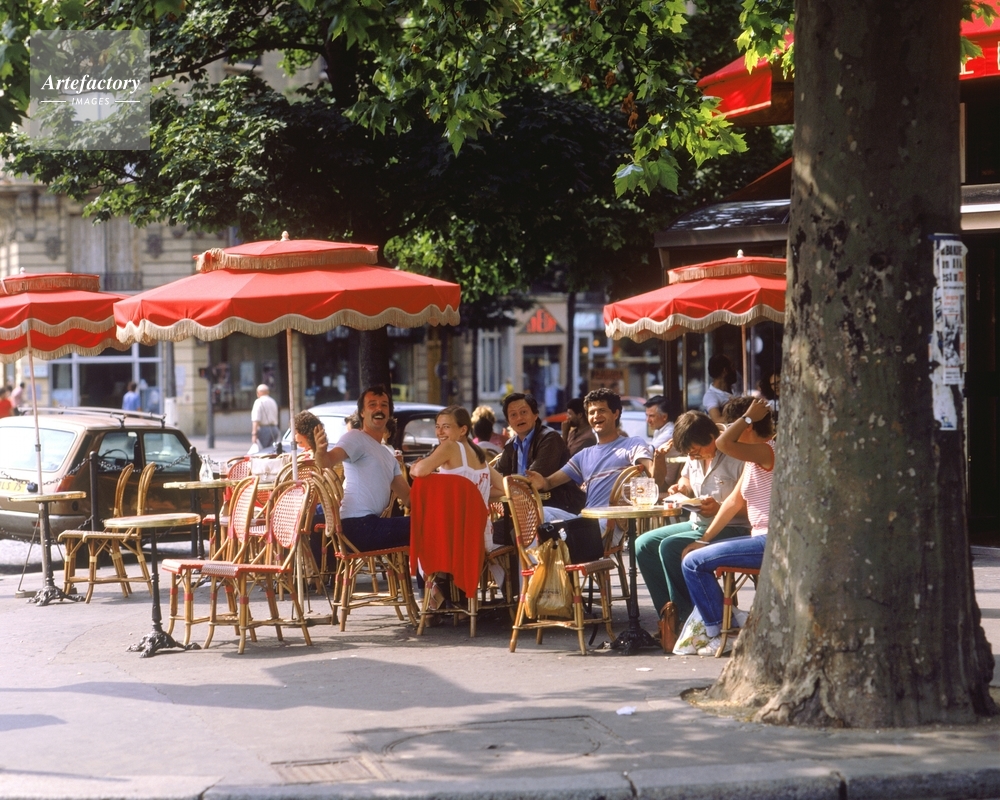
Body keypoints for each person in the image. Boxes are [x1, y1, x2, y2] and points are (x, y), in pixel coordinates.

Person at [635, 409, 751, 628]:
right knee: (644, 544)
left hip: (734, 527)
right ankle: (668, 616)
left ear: (711, 438)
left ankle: (690, 621)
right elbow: (686, 478)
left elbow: (752, 504)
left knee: (671, 547)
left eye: (696, 452)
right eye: (689, 454)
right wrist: (681, 488)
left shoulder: (737, 454)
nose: (692, 457)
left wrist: (718, 508)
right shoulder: (694, 452)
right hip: (698, 522)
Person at [680, 395, 775, 656]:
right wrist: (703, 540)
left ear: (748, 426)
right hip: (760, 538)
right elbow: (732, 502)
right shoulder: (753, 459)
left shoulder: (767, 450)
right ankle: (727, 624)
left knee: (693, 563)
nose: (728, 430)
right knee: (693, 558)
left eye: (734, 425)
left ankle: (720, 632)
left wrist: (748, 417)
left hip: (771, 541)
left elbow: (722, 442)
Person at [526, 388, 655, 538]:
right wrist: (540, 481)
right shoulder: (584, 455)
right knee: (538, 512)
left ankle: (560, 546)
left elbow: (651, 475)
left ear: (615, 413)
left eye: (602, 410)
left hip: (609, 525)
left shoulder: (632, 444)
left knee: (561, 536)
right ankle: (556, 548)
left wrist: (658, 461)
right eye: (591, 412)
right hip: (585, 521)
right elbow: (549, 483)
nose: (596, 416)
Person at [410, 406, 507, 598]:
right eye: (437, 426)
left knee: (420, 530)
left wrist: (414, 467)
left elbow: (420, 471)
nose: (440, 432)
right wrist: (476, 496)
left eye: (446, 426)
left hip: (455, 535)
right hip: (481, 535)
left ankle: (433, 593)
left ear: (463, 429)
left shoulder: (450, 447)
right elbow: (504, 488)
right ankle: (448, 593)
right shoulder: (478, 453)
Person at [315, 385, 411, 551]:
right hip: (356, 526)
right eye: (372, 405)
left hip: (370, 524)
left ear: (389, 413)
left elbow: (409, 498)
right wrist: (320, 452)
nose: (379, 409)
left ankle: (431, 568)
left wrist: (435, 495)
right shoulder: (355, 437)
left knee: (430, 523)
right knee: (426, 525)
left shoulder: (388, 456)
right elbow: (326, 462)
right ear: (362, 413)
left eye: (384, 405)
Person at [496, 392, 585, 515]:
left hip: (559, 509)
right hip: (524, 511)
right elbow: (496, 475)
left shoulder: (550, 438)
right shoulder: (511, 444)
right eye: (513, 415)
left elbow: (531, 481)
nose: (519, 418)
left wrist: (502, 485)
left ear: (535, 415)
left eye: (523, 412)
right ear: (508, 421)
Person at [702, 354, 738, 423]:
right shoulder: (711, 396)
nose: (735, 370)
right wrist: (746, 417)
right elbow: (717, 420)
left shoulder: (734, 389)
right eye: (732, 366)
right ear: (725, 371)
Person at [250, 384, 281, 451]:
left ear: (259, 392)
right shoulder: (273, 401)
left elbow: (256, 419)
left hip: (264, 429)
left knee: (264, 451)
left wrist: (254, 434)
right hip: (275, 428)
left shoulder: (258, 401)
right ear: (268, 392)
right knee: (273, 450)